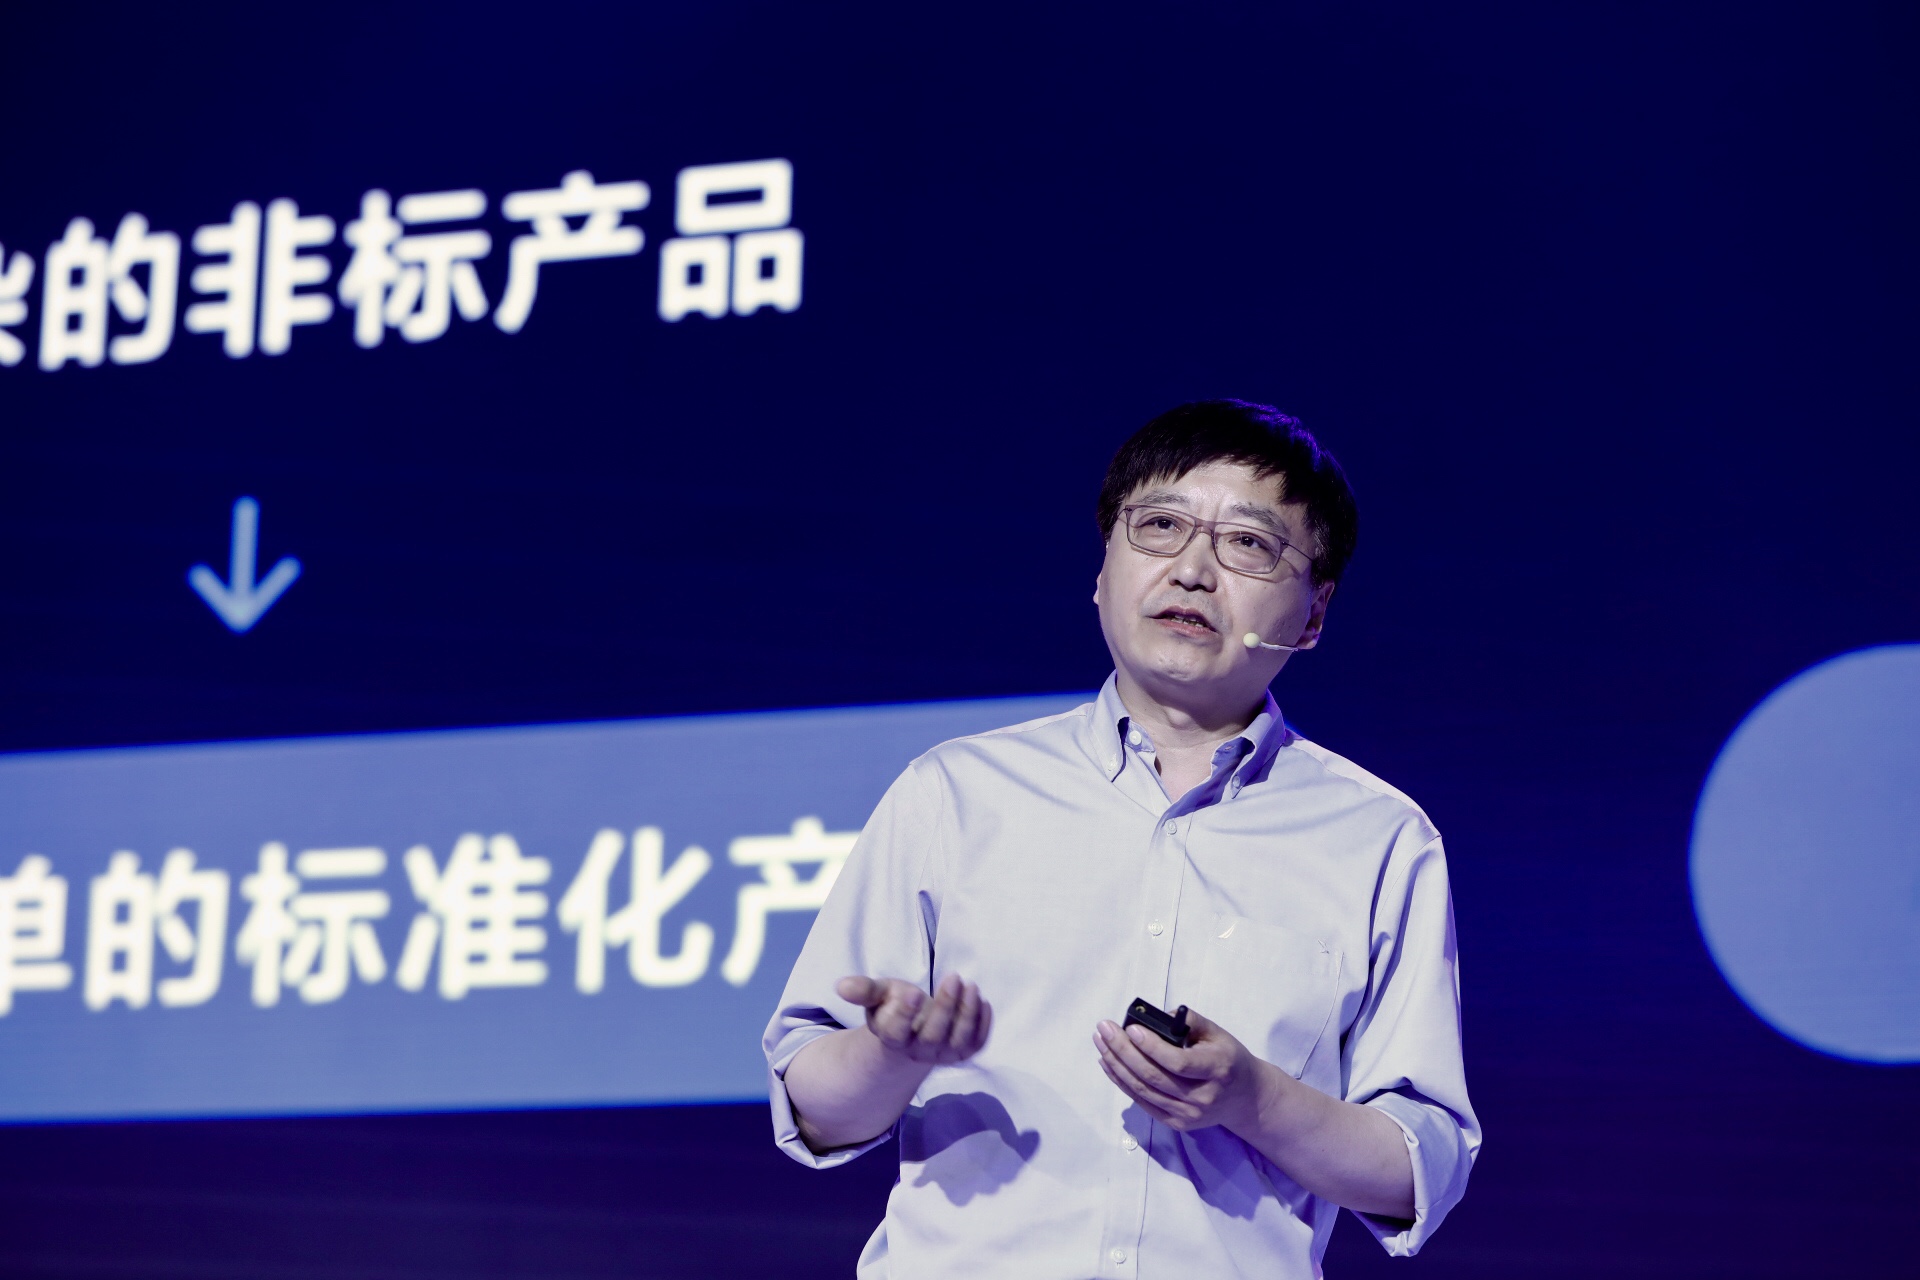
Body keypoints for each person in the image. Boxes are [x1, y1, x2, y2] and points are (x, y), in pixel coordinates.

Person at [764, 399, 1479, 1277]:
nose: (1192, 571)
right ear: (1103, 569)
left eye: (1248, 544)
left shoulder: (1378, 838)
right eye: (1160, 527)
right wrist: (893, 1053)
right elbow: (816, 1110)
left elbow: (1414, 1170)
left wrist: (1254, 1098)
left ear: (1314, 613)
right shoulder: (955, 793)